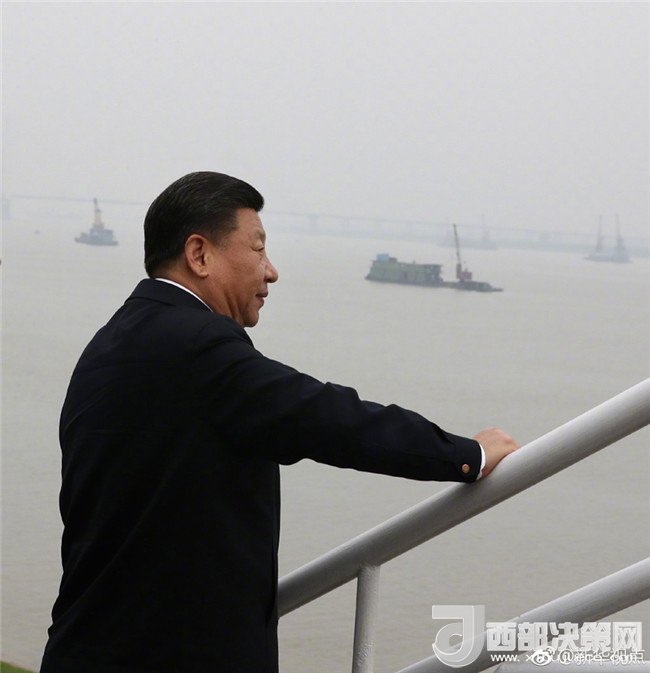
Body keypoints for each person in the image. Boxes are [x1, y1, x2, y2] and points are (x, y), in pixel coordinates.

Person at [40, 171, 518, 673]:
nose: (271, 272)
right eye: (258, 248)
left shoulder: (107, 345)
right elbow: (326, 417)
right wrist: (467, 454)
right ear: (199, 254)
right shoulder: (199, 346)